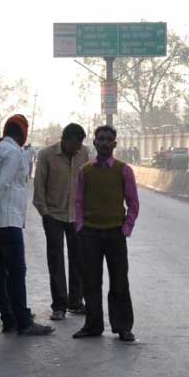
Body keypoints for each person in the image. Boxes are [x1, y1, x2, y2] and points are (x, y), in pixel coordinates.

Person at [0, 114, 53, 336]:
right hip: (8, 221)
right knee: (17, 271)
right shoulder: (14, 152)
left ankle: (8, 318)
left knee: (0, 271)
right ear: (22, 134)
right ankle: (23, 321)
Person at [73, 125, 140, 342]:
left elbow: (133, 203)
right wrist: (80, 227)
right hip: (90, 235)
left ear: (114, 144)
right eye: (100, 138)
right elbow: (79, 202)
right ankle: (93, 325)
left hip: (115, 234)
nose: (104, 142)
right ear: (94, 143)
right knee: (91, 282)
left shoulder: (124, 170)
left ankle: (123, 327)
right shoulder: (85, 171)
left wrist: (126, 228)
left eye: (108, 139)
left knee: (119, 281)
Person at [33, 123, 89, 322]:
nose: (78, 148)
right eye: (75, 144)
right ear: (65, 140)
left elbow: (87, 183)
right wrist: (44, 213)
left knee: (78, 259)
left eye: (81, 144)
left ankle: (76, 301)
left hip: (76, 216)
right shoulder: (46, 155)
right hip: (53, 216)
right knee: (56, 260)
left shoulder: (84, 154)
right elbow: (39, 186)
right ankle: (59, 305)